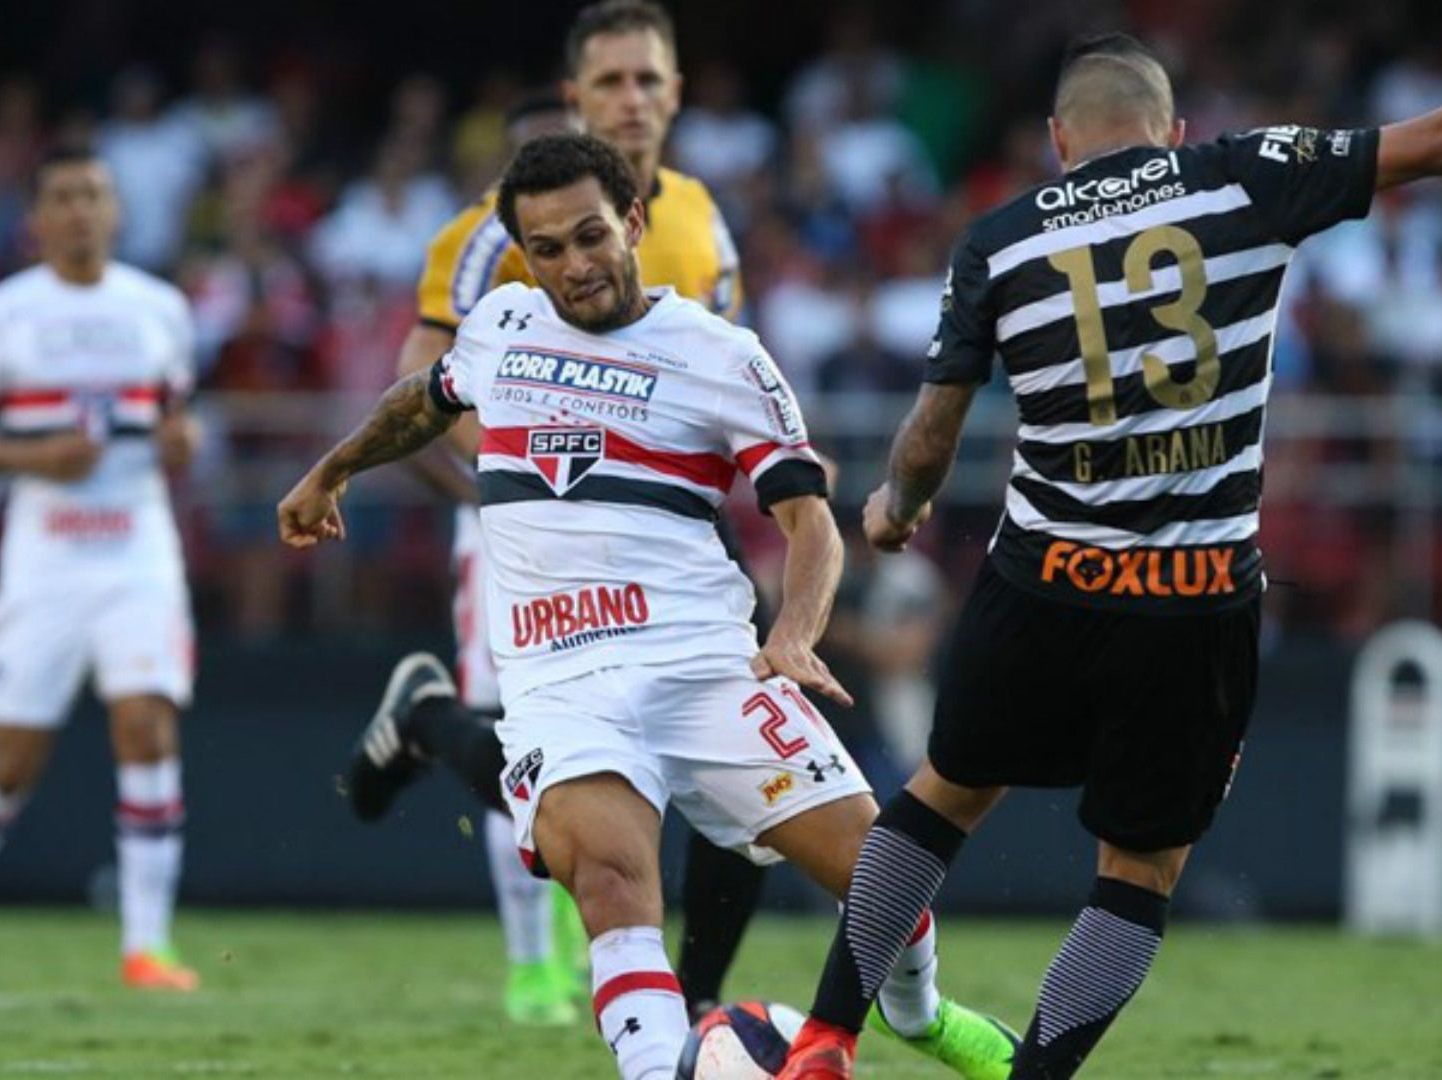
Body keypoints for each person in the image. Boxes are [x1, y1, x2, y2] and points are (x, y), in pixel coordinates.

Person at [775, 33, 1442, 1080]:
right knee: (1140, 871)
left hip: (1044, 583)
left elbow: (933, 428)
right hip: (1194, 600)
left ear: (1060, 142)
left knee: (940, 799)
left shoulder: (1000, 240)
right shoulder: (1244, 175)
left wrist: (896, 505)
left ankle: (823, 1043)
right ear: (1174, 131)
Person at [280, 133, 1018, 1080]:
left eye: (591, 235)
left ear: (631, 222)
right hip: (563, 680)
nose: (574, 265)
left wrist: (791, 634)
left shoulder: (724, 357)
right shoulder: (501, 326)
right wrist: (331, 470)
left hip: (707, 665)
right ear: (523, 256)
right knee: (613, 880)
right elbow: (422, 401)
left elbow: (813, 525)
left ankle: (919, 1016)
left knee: (887, 880)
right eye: (546, 249)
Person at [343, 0, 770, 1026]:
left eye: (650, 80)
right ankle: (446, 733)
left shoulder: (701, 216)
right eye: (612, 82)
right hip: (533, 539)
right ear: (576, 95)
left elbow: (726, 363)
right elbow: (418, 382)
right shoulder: (491, 230)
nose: (634, 99)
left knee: (738, 756)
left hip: (667, 535)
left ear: (676, 92)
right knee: (558, 767)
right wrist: (508, 493)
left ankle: (699, 999)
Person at [0, 146, 203, 992]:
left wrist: (184, 443)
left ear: (116, 212)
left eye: (94, 195)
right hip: (46, 556)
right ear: (37, 218)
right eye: (63, 197)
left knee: (147, 726)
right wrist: (36, 455)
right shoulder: (3, 313)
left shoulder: (160, 308)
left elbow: (178, 421)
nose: (81, 211)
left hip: (137, 548)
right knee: (12, 762)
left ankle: (147, 945)